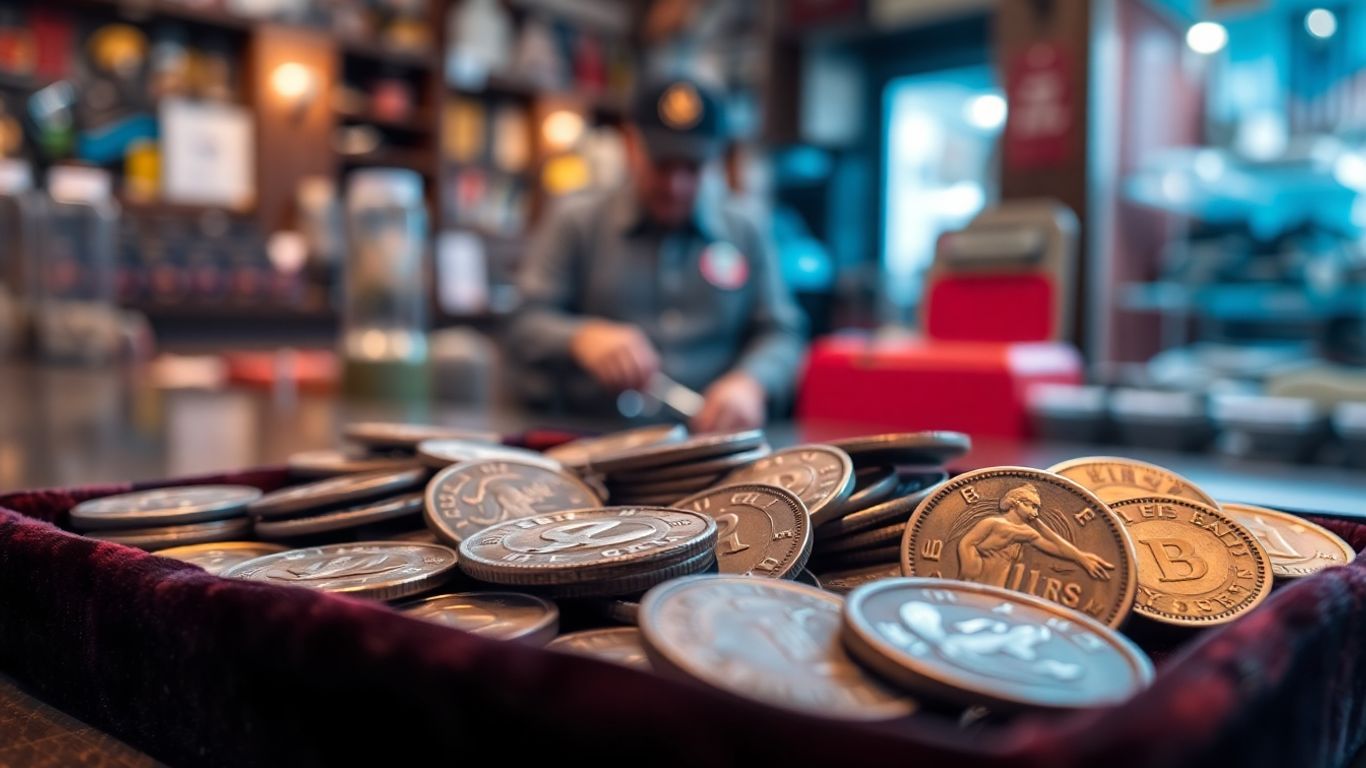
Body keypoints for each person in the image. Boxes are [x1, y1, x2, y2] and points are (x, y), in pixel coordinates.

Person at [505, 76, 805, 432]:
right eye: (662, 165)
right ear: (632, 145)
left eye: (692, 167)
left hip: (710, 442)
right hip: (593, 438)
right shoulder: (576, 221)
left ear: (716, 157)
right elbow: (522, 322)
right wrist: (580, 337)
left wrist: (751, 382)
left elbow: (782, 332)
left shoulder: (746, 231)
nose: (676, 185)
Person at [957, 484, 1114, 586]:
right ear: (1016, 503)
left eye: (1037, 508)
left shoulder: (1028, 532)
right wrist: (970, 567)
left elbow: (1056, 548)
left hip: (998, 582)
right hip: (975, 577)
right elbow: (966, 543)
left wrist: (1081, 557)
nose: (1035, 512)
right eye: (1031, 506)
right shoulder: (992, 523)